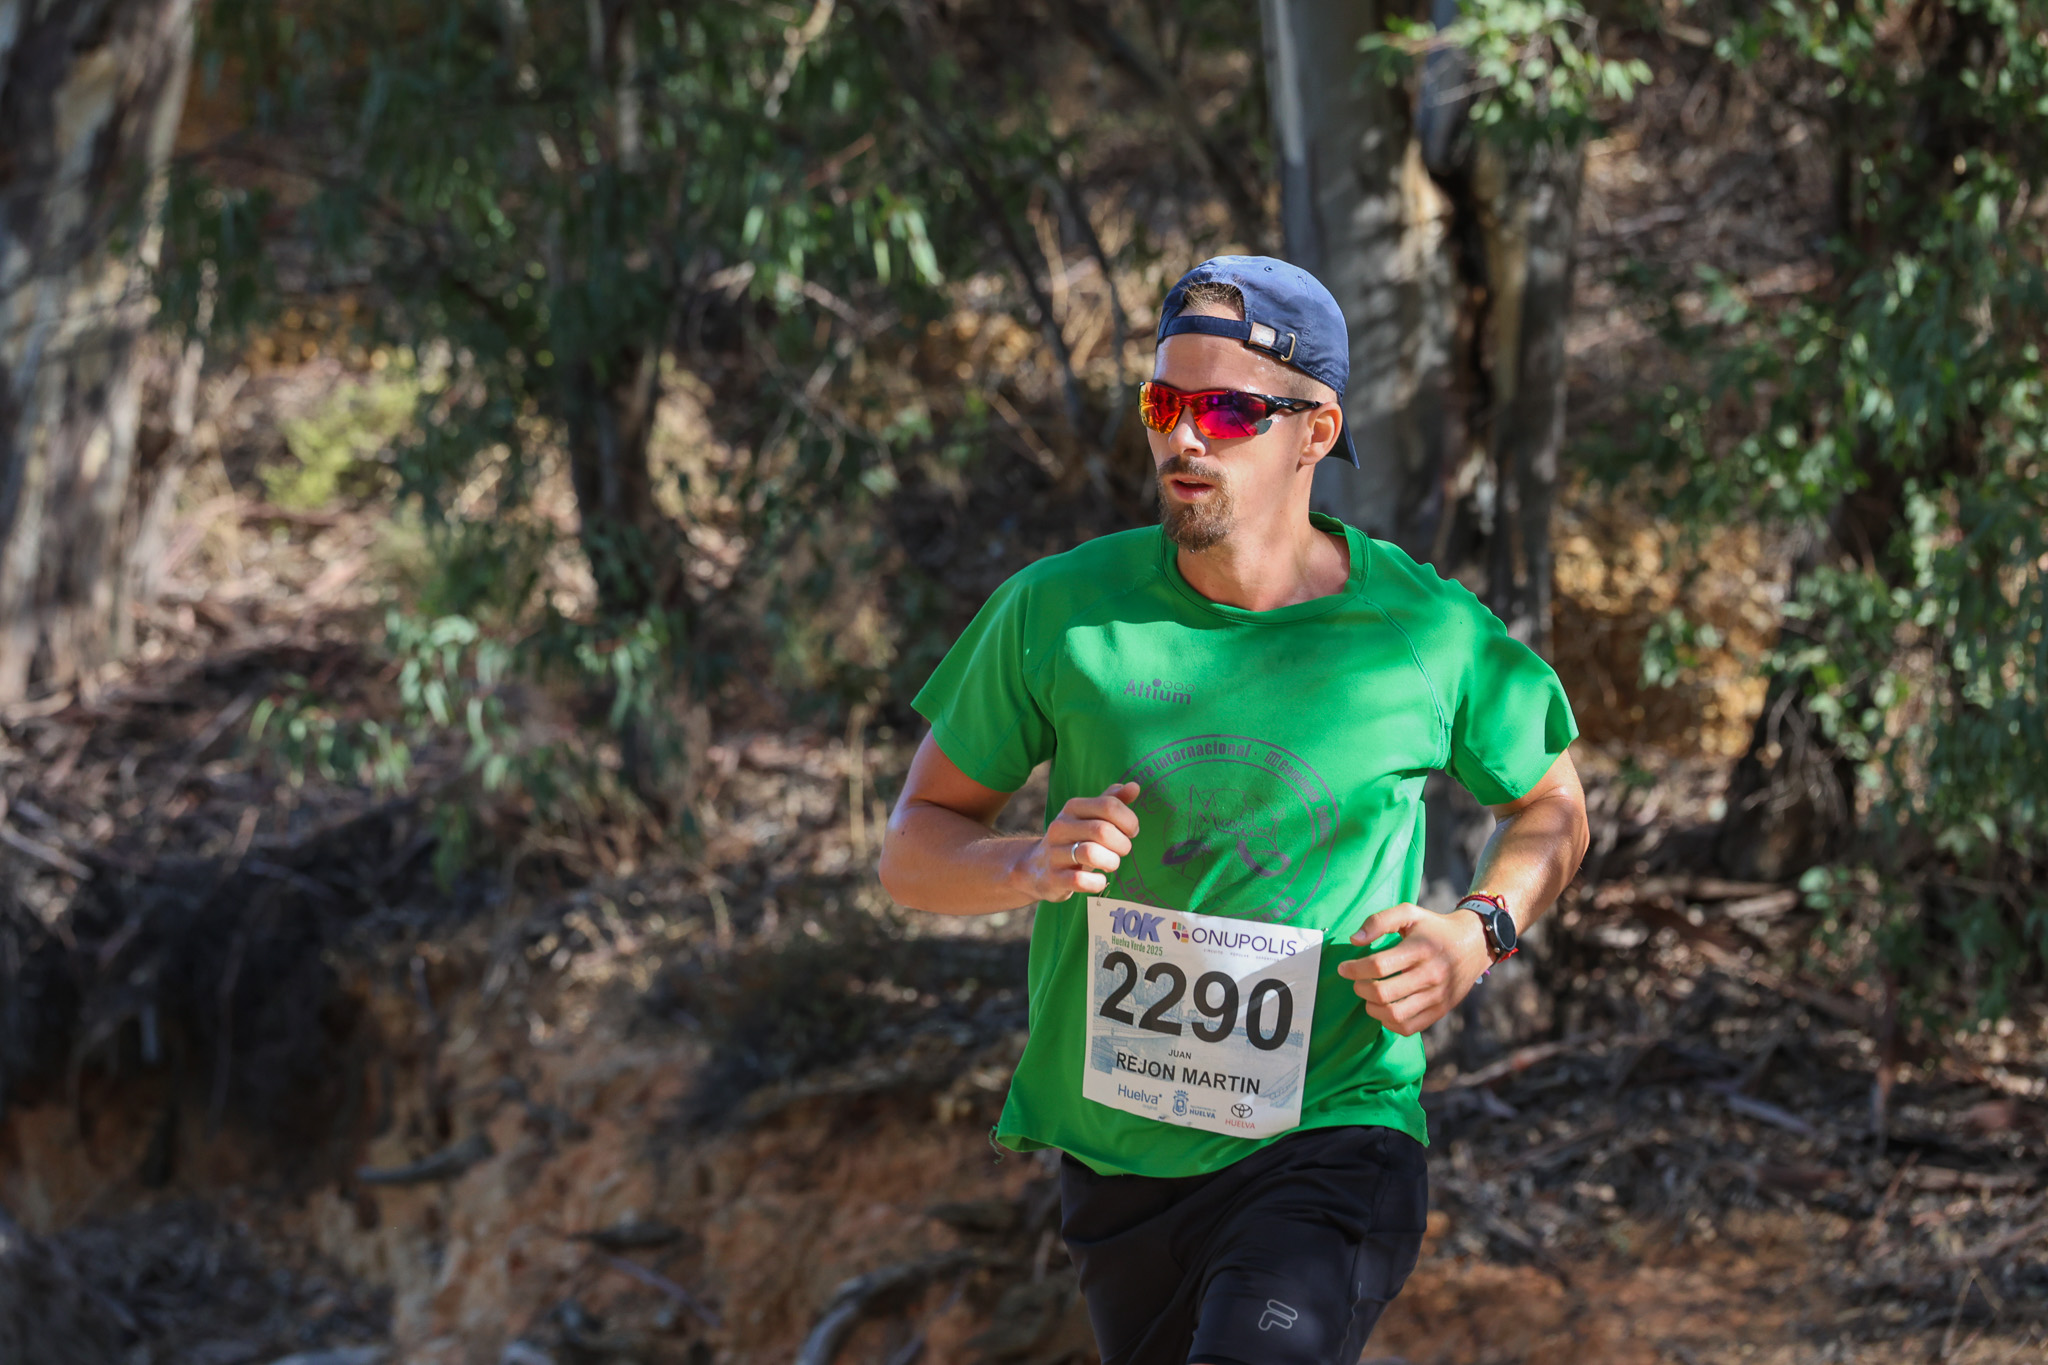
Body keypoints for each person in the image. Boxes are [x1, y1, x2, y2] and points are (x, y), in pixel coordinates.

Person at [878, 255, 1589, 1365]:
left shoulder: (1425, 633)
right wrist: (1023, 865)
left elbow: (1552, 803)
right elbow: (913, 847)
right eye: (1163, 404)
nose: (1184, 439)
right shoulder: (1061, 615)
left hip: (1329, 1135)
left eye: (1225, 411)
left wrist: (1477, 932)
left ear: (1315, 432)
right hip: (1119, 1167)